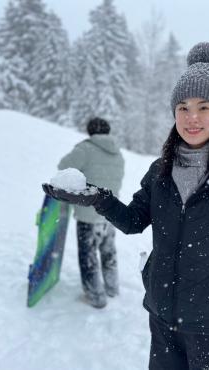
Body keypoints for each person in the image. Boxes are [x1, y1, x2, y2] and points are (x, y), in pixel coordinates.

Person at [43, 42, 209, 369]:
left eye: (203, 107)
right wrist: (98, 198)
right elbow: (134, 220)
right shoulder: (160, 171)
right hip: (163, 319)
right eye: (182, 107)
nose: (191, 117)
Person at [57, 117, 124, 308]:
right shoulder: (117, 152)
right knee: (109, 253)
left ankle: (95, 297)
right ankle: (112, 288)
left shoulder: (85, 149)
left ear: (90, 131)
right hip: (110, 214)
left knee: (88, 257)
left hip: (88, 215)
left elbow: (63, 166)